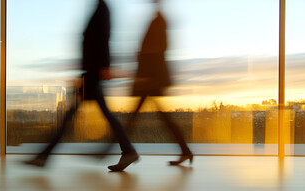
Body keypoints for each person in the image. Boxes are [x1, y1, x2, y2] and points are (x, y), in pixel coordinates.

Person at [24, 0, 139, 172]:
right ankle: (128, 151)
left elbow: (104, 38)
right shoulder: (100, 8)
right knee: (86, 115)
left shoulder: (102, 9)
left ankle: (44, 156)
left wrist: (104, 67)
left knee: (70, 116)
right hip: (92, 72)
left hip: (92, 73)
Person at [128, 0, 193, 165]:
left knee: (134, 117)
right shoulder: (159, 20)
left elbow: (158, 49)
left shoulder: (158, 21)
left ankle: (120, 151)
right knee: (161, 117)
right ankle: (185, 151)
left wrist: (143, 60)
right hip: (152, 77)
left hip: (150, 78)